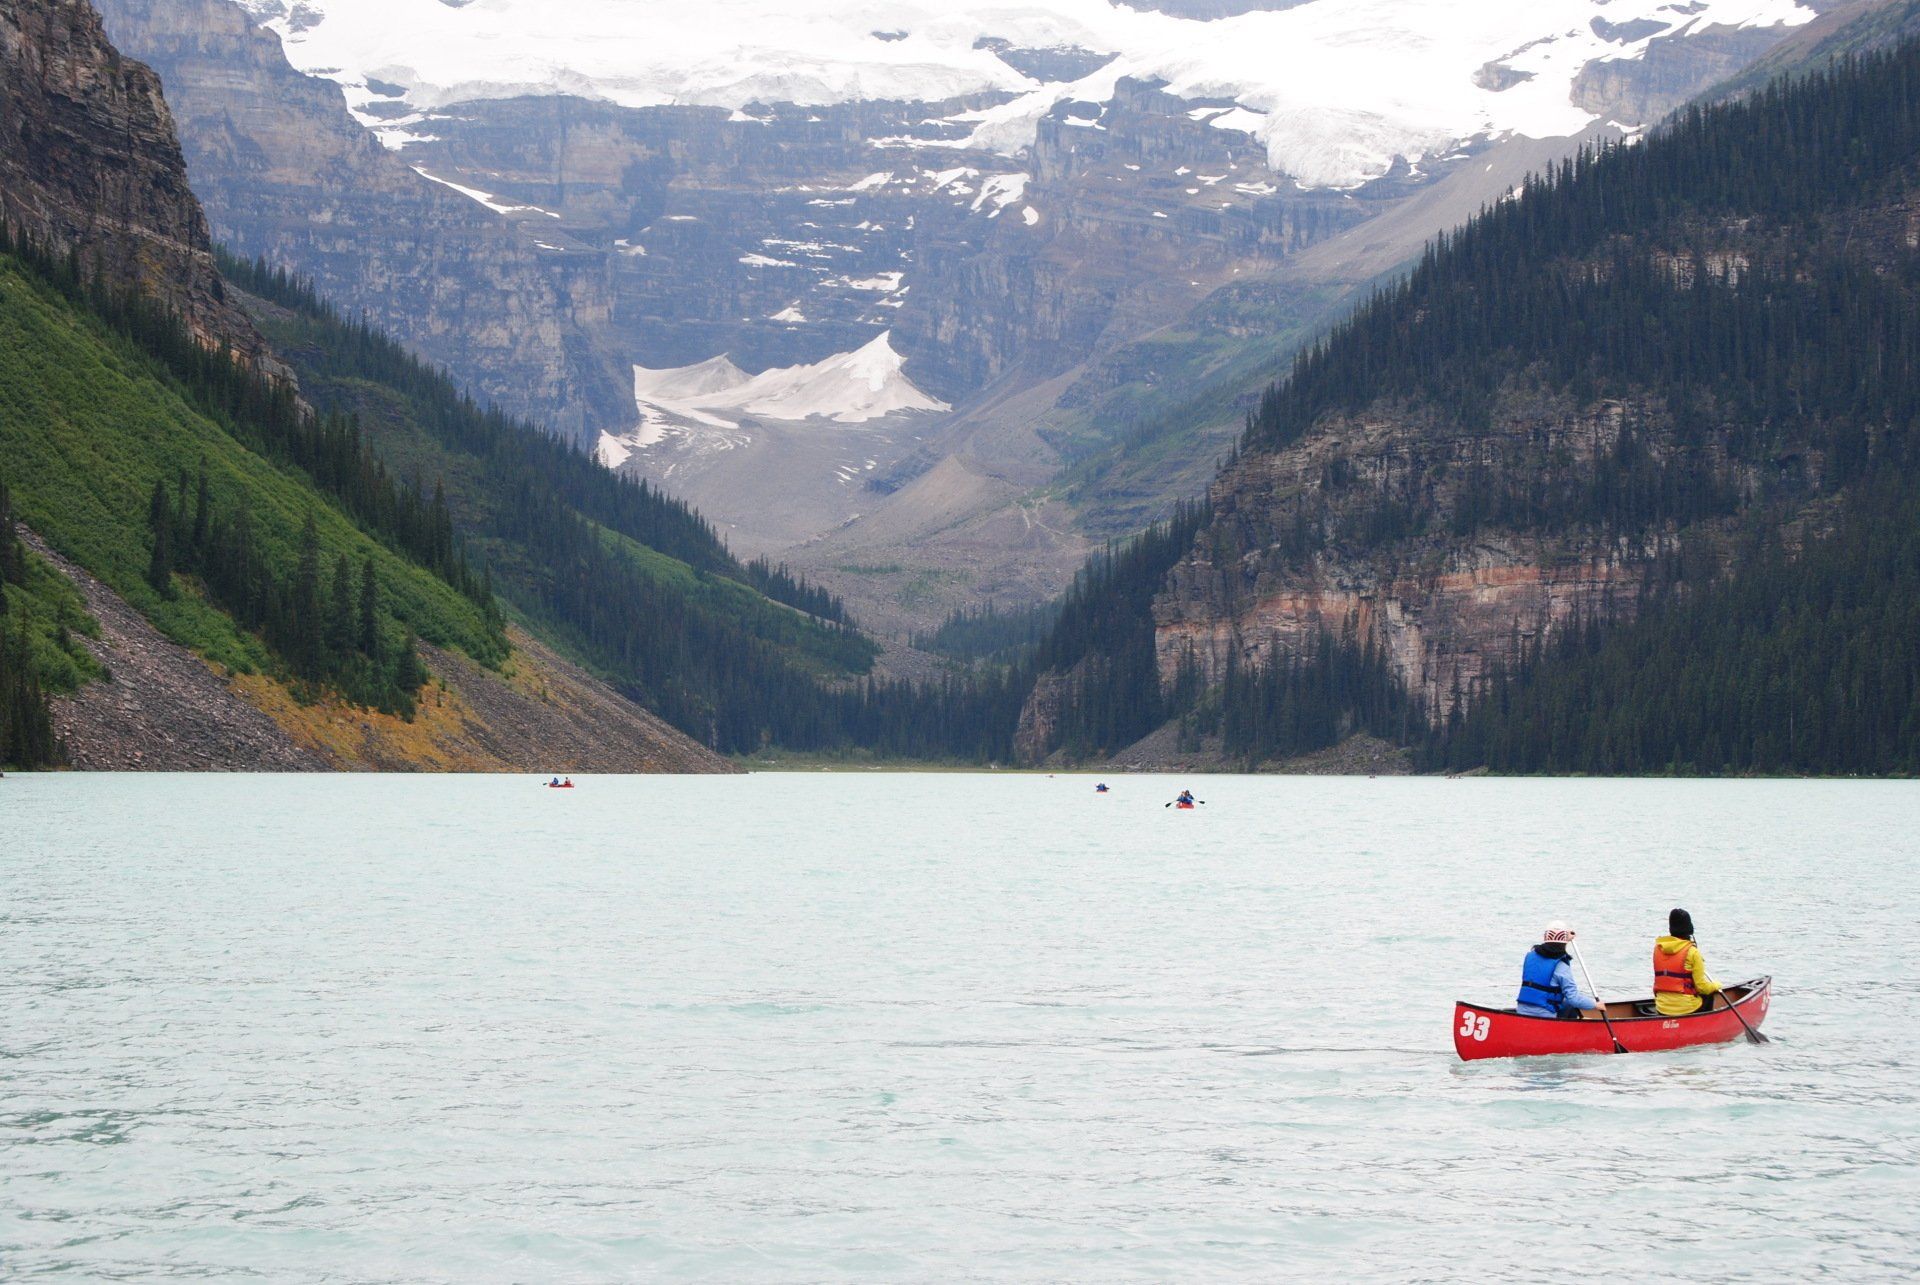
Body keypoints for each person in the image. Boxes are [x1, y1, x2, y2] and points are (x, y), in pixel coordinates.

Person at [1515, 921, 1602, 1020]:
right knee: (1570, 1002)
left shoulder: (1530, 956)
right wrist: (1596, 1005)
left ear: (1545, 938)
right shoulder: (1561, 965)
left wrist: (1565, 938)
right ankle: (1570, 1030)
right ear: (1564, 941)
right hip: (1545, 1015)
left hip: (1521, 1011)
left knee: (1566, 1001)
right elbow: (1574, 998)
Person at [1654, 908, 1722, 1017]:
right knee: (1709, 994)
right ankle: (1702, 1028)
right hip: (1687, 1008)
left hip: (1661, 1008)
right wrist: (1716, 985)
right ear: (1689, 929)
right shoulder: (1693, 952)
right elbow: (1702, 987)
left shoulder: (1658, 949)